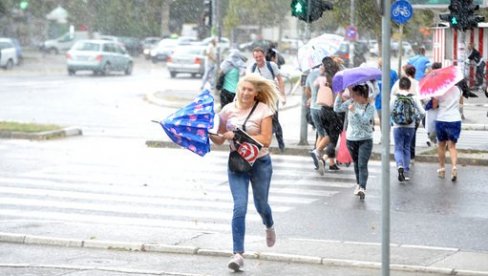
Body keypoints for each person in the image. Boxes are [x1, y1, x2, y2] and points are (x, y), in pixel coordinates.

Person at [209, 74, 279, 271]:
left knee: (261, 204)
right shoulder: (227, 110)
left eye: (250, 90)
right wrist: (211, 132)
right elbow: (221, 139)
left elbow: (265, 139)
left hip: (260, 163)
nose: (246, 92)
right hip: (237, 164)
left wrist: (238, 135)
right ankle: (237, 253)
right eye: (243, 88)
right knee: (239, 207)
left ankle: (269, 224)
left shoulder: (263, 110)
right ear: (237, 90)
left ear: (256, 93)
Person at [334, 83, 375, 200]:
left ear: (363, 95)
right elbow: (337, 108)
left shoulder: (369, 107)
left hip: (365, 140)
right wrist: (339, 94)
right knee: (356, 164)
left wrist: (355, 112)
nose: (354, 97)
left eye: (356, 95)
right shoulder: (351, 103)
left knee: (362, 164)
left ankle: (362, 187)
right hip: (351, 139)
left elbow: (365, 121)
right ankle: (358, 183)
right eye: (353, 95)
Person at [248, 47, 286, 152]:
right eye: (256, 57)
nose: (258, 59)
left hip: (272, 97)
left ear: (264, 56)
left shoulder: (271, 65)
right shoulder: (252, 68)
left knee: (274, 119)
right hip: (259, 98)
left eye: (260, 56)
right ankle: (261, 143)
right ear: (253, 57)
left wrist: (282, 95)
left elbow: (280, 79)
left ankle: (281, 144)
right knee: (259, 120)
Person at [311, 57, 342, 174]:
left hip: (322, 109)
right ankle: (318, 152)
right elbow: (342, 94)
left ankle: (328, 162)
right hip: (332, 110)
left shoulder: (322, 77)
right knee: (332, 137)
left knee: (329, 136)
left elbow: (315, 86)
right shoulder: (336, 77)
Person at [390, 77, 425, 182]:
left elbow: (389, 111)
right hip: (410, 126)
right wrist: (416, 119)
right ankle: (405, 169)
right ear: (409, 86)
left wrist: (393, 120)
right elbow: (422, 112)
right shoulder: (414, 98)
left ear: (399, 85)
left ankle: (399, 165)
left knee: (398, 148)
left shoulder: (394, 98)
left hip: (397, 126)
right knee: (406, 147)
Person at [432, 84, 462, 182]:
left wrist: (435, 99)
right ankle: (454, 168)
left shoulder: (439, 89)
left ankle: (442, 169)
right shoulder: (458, 89)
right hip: (455, 119)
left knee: (441, 145)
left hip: (442, 119)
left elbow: (434, 105)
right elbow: (460, 103)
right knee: (452, 146)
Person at [375, 58, 398, 132]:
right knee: (382, 119)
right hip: (379, 101)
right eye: (380, 64)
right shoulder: (376, 74)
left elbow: (397, 86)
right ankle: (383, 136)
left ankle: (386, 137)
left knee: (387, 119)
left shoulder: (393, 73)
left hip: (389, 100)